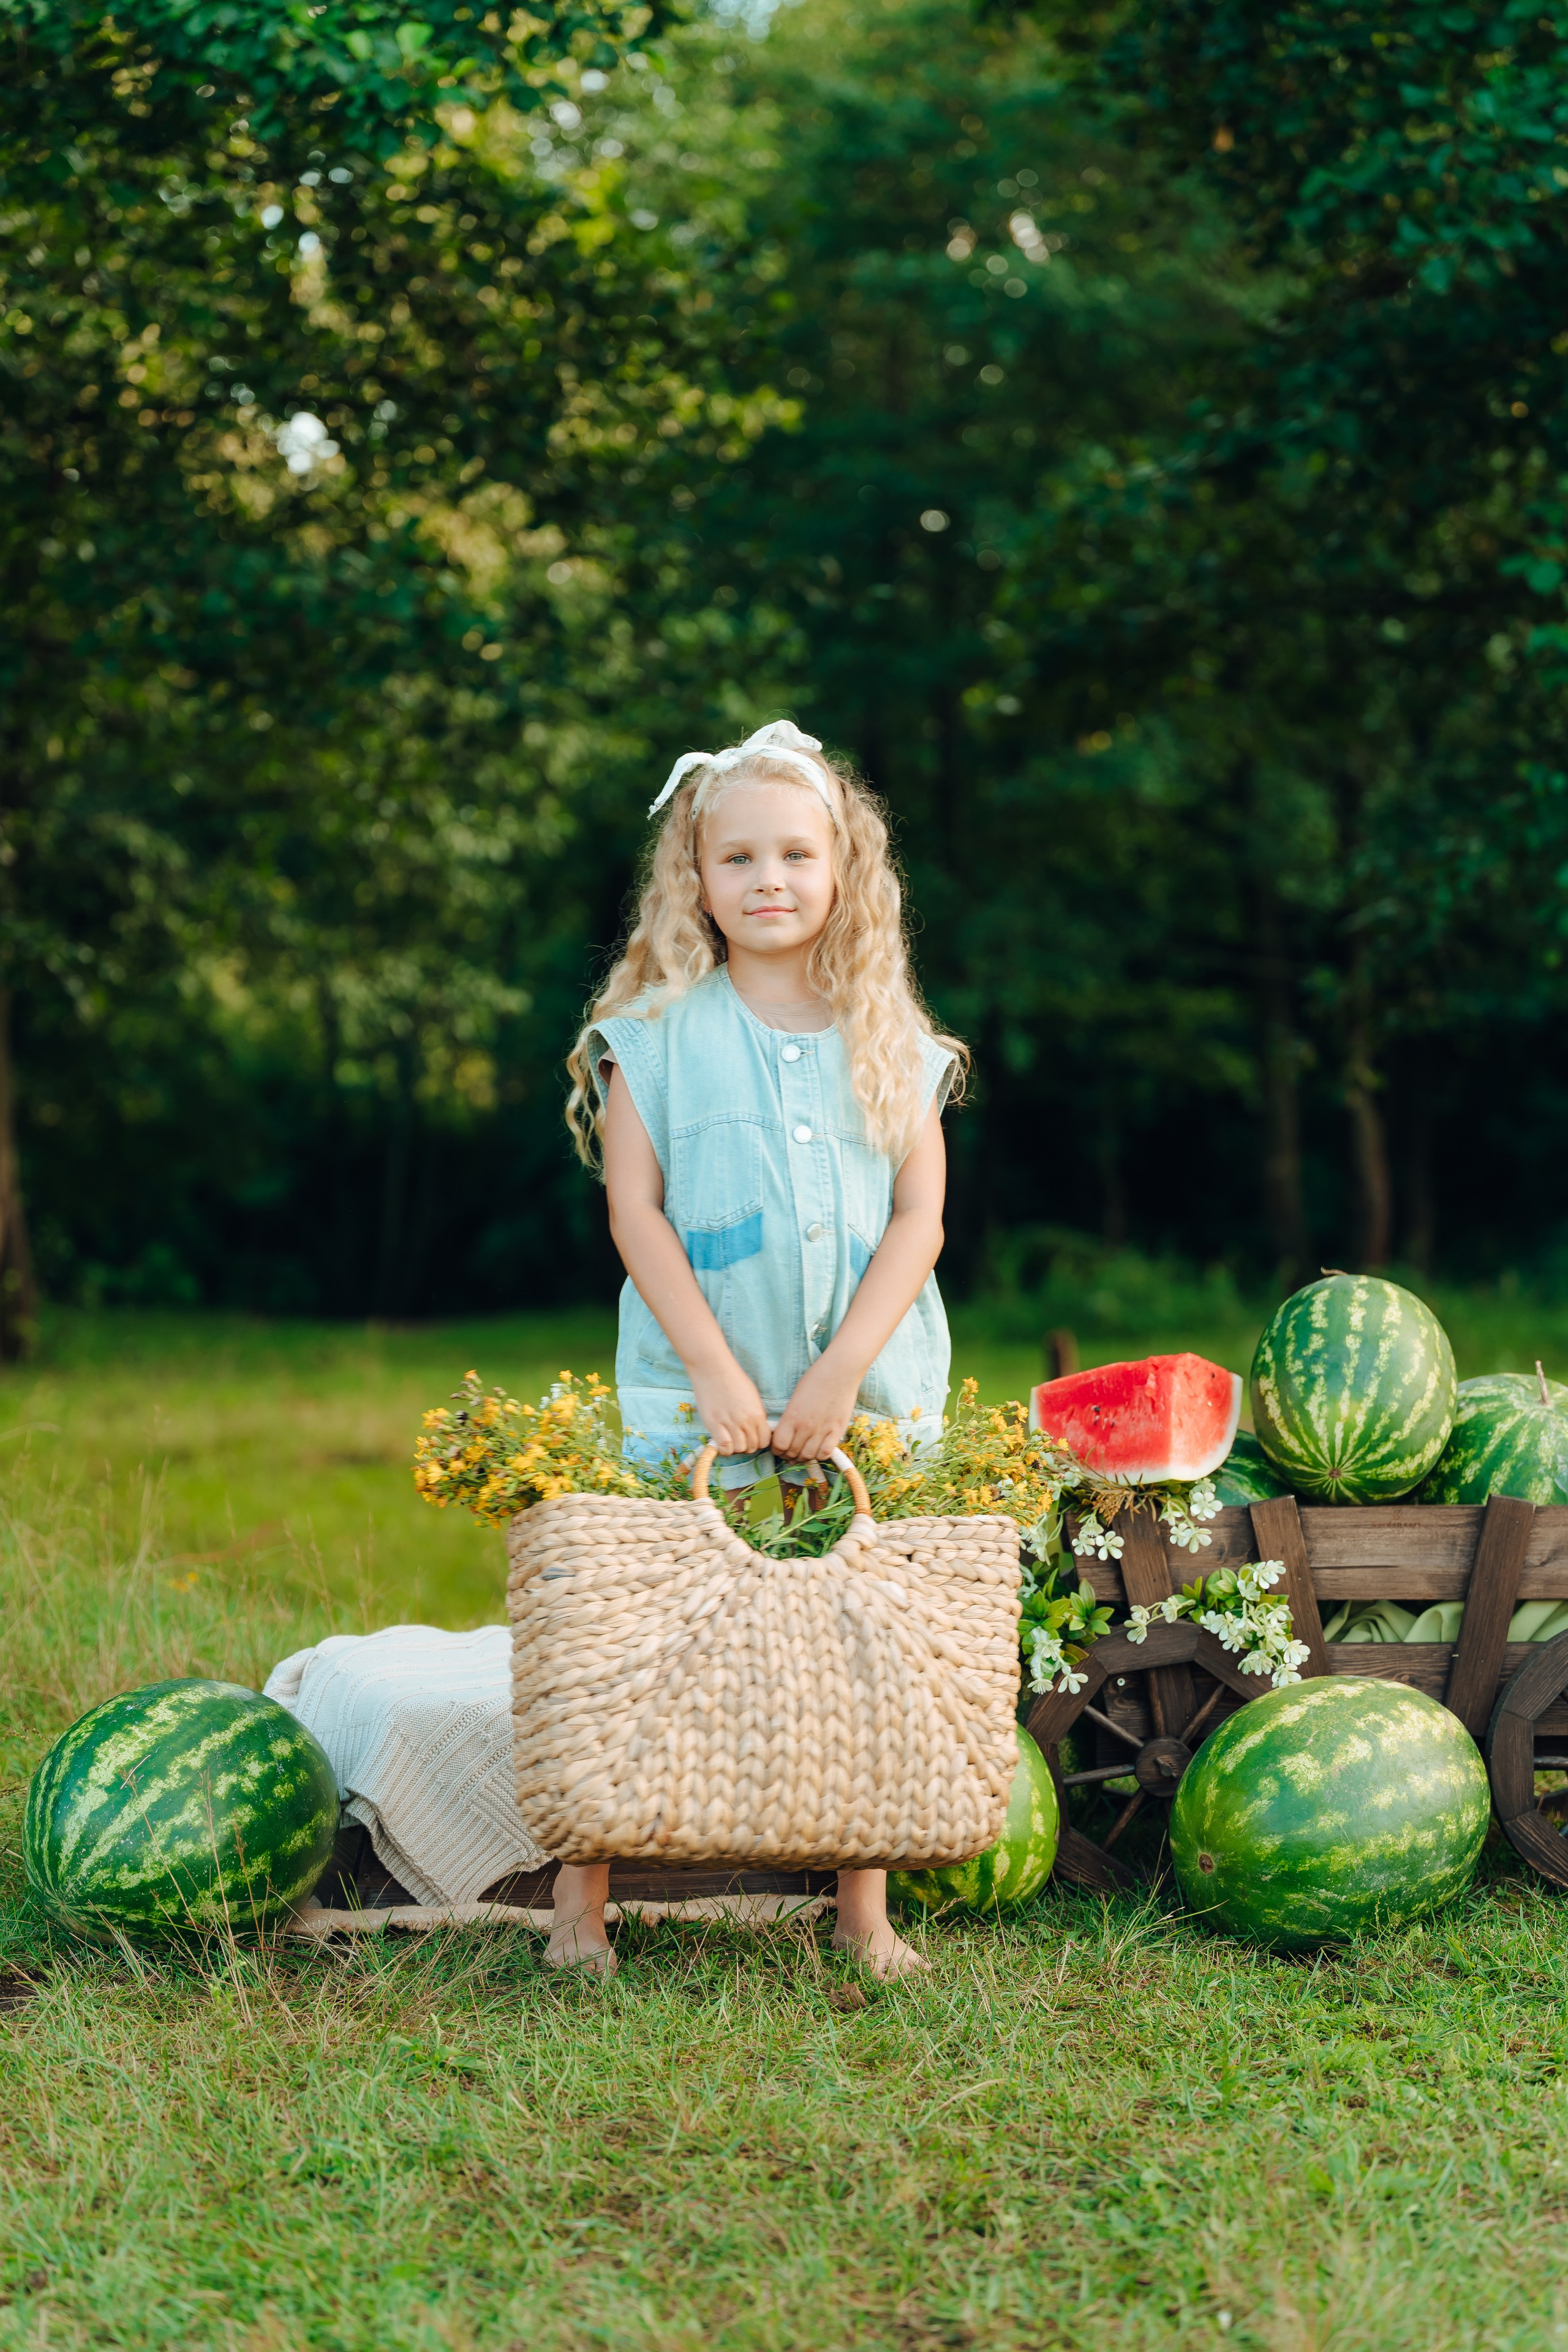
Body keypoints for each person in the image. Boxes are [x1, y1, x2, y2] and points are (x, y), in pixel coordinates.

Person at [556, 719, 968, 1977]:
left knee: (863, 1635)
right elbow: (636, 1213)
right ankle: (582, 1898)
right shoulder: (657, 1035)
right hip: (704, 1392)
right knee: (647, 1634)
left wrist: (842, 1369)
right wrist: (720, 1376)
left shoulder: (887, 1035)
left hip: (866, 1388)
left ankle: (862, 1907)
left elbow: (919, 1216)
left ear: (844, 872)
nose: (769, 879)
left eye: (796, 853)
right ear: (695, 879)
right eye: (737, 858)